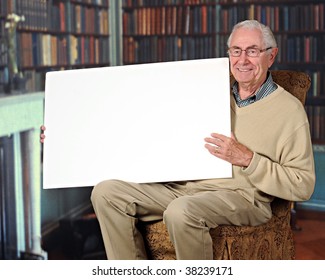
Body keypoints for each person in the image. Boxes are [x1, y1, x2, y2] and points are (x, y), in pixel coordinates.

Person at [43, 20, 316, 260]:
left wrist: (247, 159)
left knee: (181, 211)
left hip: (243, 197)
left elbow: (303, 185)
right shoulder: (204, 88)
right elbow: (130, 123)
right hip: (183, 187)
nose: (242, 59)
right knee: (106, 193)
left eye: (252, 51)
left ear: (271, 56)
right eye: (236, 51)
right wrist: (65, 136)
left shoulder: (288, 110)